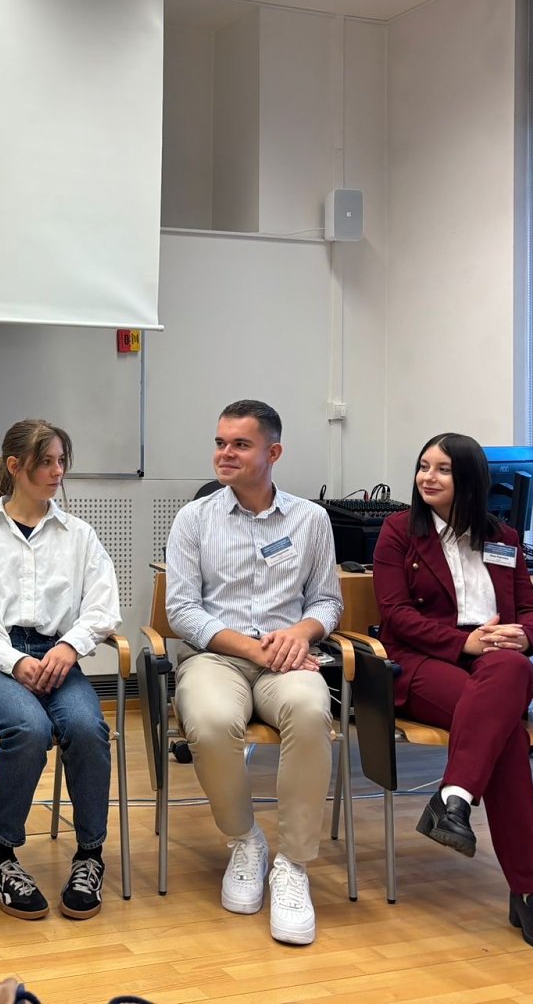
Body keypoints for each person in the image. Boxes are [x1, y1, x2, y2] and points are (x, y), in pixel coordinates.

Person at [371, 433, 533, 958]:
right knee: (507, 736)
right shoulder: (399, 531)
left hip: (495, 664)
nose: (428, 477)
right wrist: (464, 641)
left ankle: (454, 800)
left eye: (443, 469)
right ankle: (531, 891)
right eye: (423, 466)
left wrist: (525, 636)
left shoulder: (503, 537)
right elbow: (396, 616)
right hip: (423, 661)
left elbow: (530, 609)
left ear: (471, 480)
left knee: (510, 669)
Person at [164, 399, 339, 946]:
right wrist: (252, 649)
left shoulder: (311, 519)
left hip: (288, 658)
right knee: (211, 721)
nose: (225, 453)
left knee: (310, 711)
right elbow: (182, 610)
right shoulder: (194, 519)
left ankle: (293, 864)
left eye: (240, 444)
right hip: (218, 657)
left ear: (273, 452)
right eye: (220, 443)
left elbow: (328, 601)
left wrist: (301, 633)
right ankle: (245, 840)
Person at [0, 419, 120, 921]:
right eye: (46, 462)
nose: (57, 471)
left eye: (62, 461)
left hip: (58, 656)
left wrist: (70, 646)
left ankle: (90, 856)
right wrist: (15, 660)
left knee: (87, 727)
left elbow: (103, 606)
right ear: (15, 466)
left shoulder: (79, 535)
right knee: (29, 727)